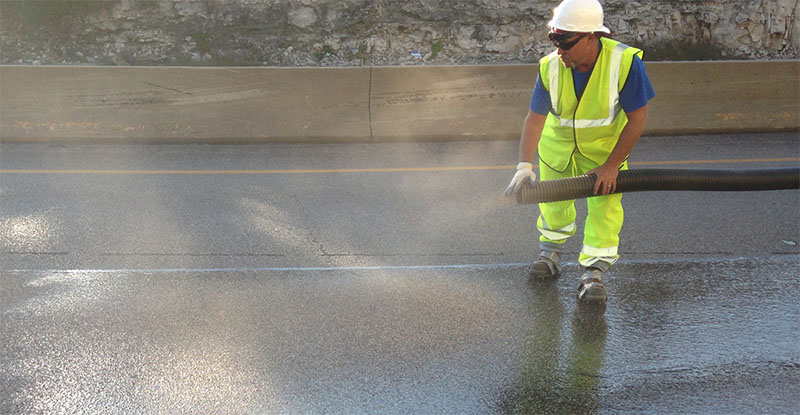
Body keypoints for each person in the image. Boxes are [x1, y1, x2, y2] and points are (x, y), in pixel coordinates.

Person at [504, 0, 655, 303]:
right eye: (554, 40)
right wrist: (524, 166)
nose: (559, 49)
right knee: (553, 205)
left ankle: (594, 272)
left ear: (591, 37)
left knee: (604, 209)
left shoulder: (624, 63)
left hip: (604, 153)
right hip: (557, 149)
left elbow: (638, 118)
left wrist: (612, 165)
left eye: (566, 42)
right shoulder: (551, 67)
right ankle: (550, 254)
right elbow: (535, 118)